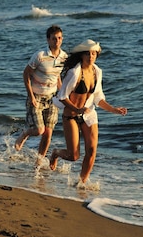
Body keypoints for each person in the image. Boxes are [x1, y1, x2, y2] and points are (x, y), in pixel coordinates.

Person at [49, 39, 127, 186]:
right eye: (87, 54)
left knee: (91, 151)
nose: (91, 56)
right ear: (82, 56)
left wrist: (113, 109)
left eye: (93, 53)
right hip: (71, 115)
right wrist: (77, 109)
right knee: (74, 156)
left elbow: (98, 98)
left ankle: (81, 183)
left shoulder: (97, 72)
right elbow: (62, 97)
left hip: (89, 114)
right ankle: (56, 153)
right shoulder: (74, 73)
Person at [14, 25, 68, 163]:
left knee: (48, 133)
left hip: (52, 98)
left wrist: (63, 96)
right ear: (48, 40)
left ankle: (38, 162)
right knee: (39, 130)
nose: (57, 41)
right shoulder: (40, 56)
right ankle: (25, 132)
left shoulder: (64, 57)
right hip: (36, 96)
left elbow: (57, 77)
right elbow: (26, 74)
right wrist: (31, 96)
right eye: (54, 38)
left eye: (60, 38)